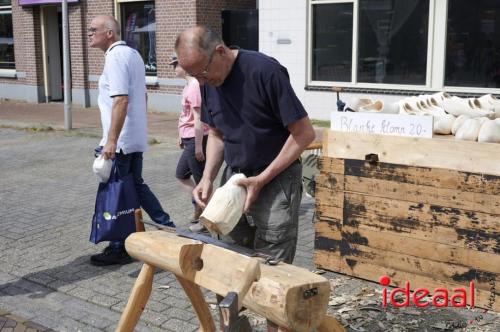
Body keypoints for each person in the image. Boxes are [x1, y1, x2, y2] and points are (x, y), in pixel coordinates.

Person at [175, 26, 315, 265]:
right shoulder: (207, 82)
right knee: (230, 251)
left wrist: (261, 179)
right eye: (194, 76)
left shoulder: (264, 71)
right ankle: (233, 303)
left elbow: (304, 134)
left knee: (272, 261)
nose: (200, 81)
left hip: (276, 178)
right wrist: (207, 177)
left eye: (203, 73)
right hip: (235, 177)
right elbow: (217, 134)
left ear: (220, 51)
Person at [88, 15, 174, 266]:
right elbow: (143, 97)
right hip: (134, 136)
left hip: (122, 140)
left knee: (117, 191)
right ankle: (167, 227)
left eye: (93, 29)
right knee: (135, 185)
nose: (89, 33)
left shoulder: (115, 57)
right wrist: (138, 128)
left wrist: (111, 140)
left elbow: (121, 99)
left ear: (110, 33)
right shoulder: (134, 55)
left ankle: (119, 246)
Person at [170, 55, 209, 232]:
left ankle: (208, 219)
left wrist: (199, 145)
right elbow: (185, 116)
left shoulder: (194, 86)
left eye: (175, 65)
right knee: (181, 174)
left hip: (196, 139)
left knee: (201, 180)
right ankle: (198, 206)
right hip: (188, 138)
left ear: (185, 65)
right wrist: (180, 135)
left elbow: (198, 118)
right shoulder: (188, 85)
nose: (173, 68)